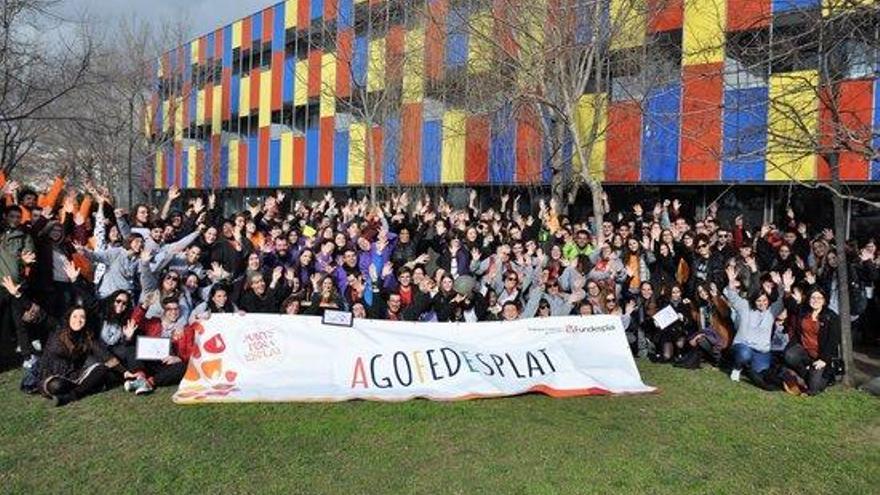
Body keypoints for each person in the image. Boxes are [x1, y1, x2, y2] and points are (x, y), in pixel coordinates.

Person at [37, 306, 118, 406]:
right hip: (51, 375)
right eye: (74, 316)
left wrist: (126, 373)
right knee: (56, 386)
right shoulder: (58, 331)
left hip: (74, 375)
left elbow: (103, 353)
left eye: (82, 317)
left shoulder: (86, 336)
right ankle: (91, 387)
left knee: (102, 369)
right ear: (69, 318)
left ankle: (70, 396)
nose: (78, 320)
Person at [724, 265, 789, 389]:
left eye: (764, 301)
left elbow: (781, 300)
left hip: (761, 350)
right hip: (743, 345)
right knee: (744, 354)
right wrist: (731, 284)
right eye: (759, 301)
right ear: (754, 300)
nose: (762, 304)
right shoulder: (745, 307)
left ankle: (747, 368)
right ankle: (737, 368)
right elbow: (732, 297)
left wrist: (781, 285)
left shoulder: (772, 311)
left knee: (761, 371)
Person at [782, 288, 841, 395]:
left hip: (821, 355)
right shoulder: (803, 311)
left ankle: (821, 376)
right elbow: (790, 306)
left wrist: (823, 359)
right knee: (789, 355)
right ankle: (805, 371)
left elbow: (833, 341)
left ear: (824, 301)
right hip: (805, 351)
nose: (815, 300)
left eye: (819, 298)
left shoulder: (831, 317)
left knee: (814, 388)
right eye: (813, 297)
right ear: (808, 299)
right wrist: (787, 289)